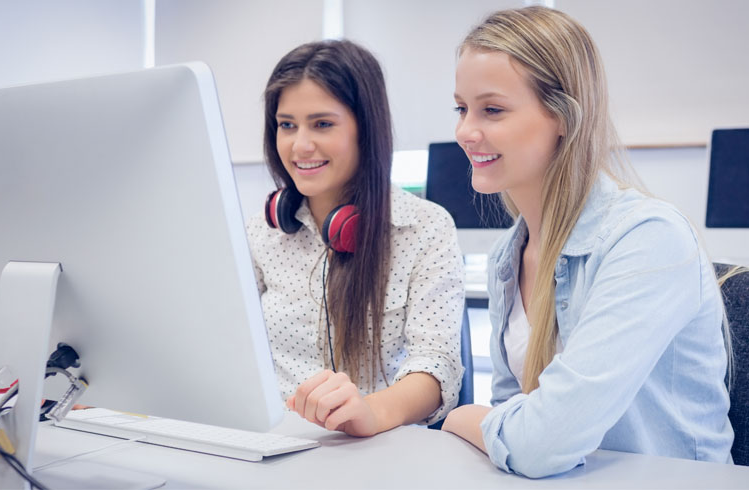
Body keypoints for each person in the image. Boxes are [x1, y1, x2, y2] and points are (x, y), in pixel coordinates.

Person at [440, 6, 734, 477]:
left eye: (491, 110)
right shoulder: (507, 256)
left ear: (563, 116)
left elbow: (537, 443)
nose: (464, 131)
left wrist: (459, 416)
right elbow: (512, 422)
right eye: (461, 108)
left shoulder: (648, 239)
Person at [246, 40, 465, 437]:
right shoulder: (262, 232)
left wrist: (370, 411)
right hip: (271, 442)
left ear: (366, 128)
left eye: (322, 124)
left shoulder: (424, 228)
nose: (300, 145)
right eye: (287, 124)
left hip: (375, 449)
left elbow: (438, 365)